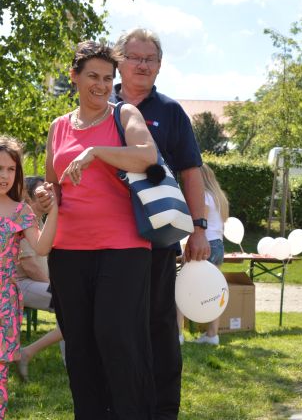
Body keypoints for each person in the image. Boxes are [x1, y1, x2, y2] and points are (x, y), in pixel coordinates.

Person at [45, 40, 157, 419]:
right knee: (79, 347)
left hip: (123, 248)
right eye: (93, 76)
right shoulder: (58, 127)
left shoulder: (123, 115)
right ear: (74, 77)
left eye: (108, 78)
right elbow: (55, 187)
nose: (102, 85)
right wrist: (44, 199)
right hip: (67, 251)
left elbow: (147, 156)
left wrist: (94, 152)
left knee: (117, 340)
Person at [112, 28, 209, 419]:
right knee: (116, 328)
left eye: (150, 59)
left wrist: (198, 229)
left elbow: (191, 171)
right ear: (118, 61)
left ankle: (163, 410)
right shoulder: (100, 103)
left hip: (157, 237)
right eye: (135, 57)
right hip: (107, 240)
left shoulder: (170, 111)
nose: (142, 65)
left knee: (160, 326)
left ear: (160, 65)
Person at [0, 137, 57, 419]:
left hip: (4, 302)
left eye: (11, 169)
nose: (5, 175)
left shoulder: (21, 211)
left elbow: (42, 248)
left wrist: (54, 210)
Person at [15, 176, 64, 381]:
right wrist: (54, 287)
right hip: (22, 284)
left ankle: (72, 363)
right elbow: (29, 265)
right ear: (29, 197)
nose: (47, 197)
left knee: (71, 309)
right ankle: (27, 353)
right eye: (41, 193)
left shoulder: (41, 220)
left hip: (34, 283)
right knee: (70, 307)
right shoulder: (25, 220)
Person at [177, 164, 229, 346]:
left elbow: (202, 224)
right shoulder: (219, 197)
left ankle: (178, 334)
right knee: (215, 291)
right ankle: (212, 335)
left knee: (183, 289)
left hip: (204, 244)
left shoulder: (203, 196)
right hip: (218, 244)